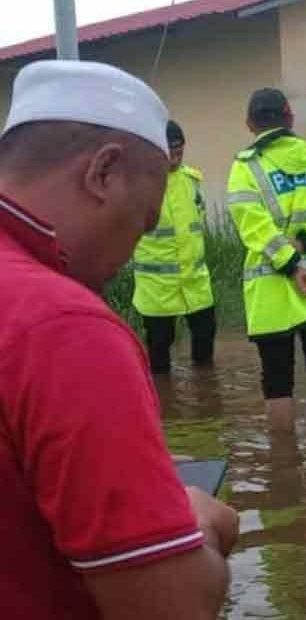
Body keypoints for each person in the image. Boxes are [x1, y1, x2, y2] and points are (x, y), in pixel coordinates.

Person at [0, 60, 238, 619]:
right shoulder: (63, 326)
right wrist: (194, 518)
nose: (132, 247)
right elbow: (174, 608)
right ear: (103, 172)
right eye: (142, 221)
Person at [227, 88, 306, 431]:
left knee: (277, 380)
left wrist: (289, 262)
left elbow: (253, 225)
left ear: (250, 124)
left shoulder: (246, 166)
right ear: (290, 118)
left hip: (271, 286)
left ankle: (282, 466)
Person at [132, 119, 216, 374]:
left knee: (205, 345)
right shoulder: (140, 186)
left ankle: (205, 401)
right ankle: (163, 407)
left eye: (179, 152)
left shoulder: (192, 181)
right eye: (169, 152)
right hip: (157, 289)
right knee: (159, 355)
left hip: (196, 283)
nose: (175, 159)